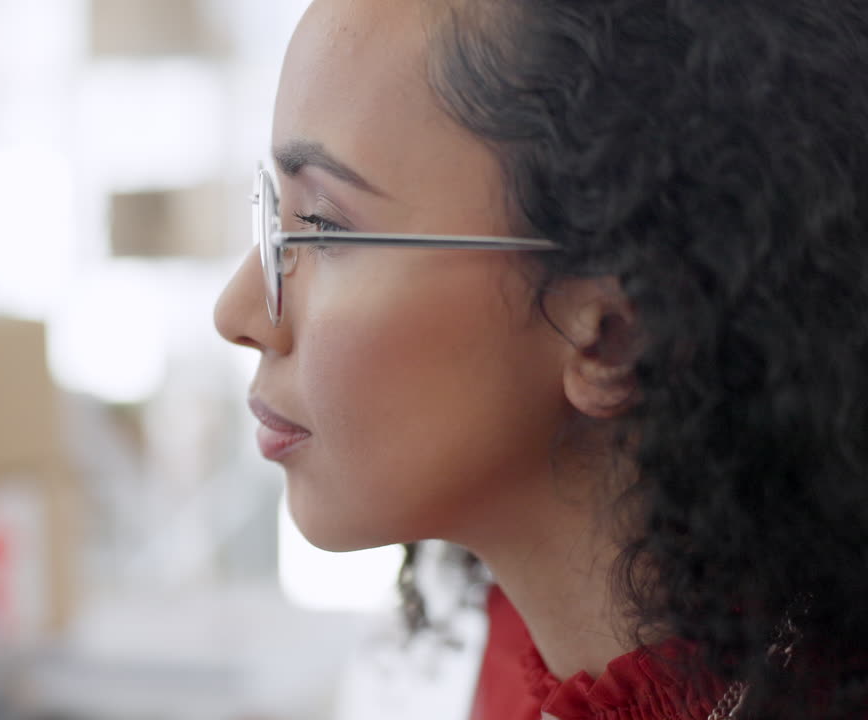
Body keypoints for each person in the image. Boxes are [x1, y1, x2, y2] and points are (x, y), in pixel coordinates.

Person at [212, 0, 868, 718]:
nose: (236, 313)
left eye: (324, 226)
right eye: (275, 216)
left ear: (610, 336)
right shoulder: (507, 659)